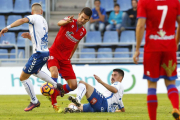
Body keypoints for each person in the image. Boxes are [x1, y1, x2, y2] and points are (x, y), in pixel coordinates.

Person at [0, 3, 63, 112]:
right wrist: (30, 37)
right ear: (42, 11)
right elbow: (40, 38)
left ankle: (34, 101)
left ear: (31, 13)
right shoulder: (44, 21)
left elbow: (21, 20)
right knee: (35, 72)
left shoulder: (34, 17)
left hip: (38, 54)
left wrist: (7, 27)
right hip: (45, 53)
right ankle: (55, 84)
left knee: (23, 77)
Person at [133, 0, 180, 119]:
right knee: (170, 82)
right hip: (169, 46)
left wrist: (137, 49)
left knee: (152, 84)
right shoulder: (174, 2)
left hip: (152, 48)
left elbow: (140, 25)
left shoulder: (144, 2)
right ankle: (176, 107)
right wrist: (175, 42)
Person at [45, 7, 92, 112]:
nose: (82, 20)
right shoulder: (69, 20)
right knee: (54, 73)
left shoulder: (83, 31)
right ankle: (54, 103)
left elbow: (76, 43)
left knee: (73, 85)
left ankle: (55, 92)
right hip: (54, 53)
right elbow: (59, 23)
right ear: (79, 14)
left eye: (85, 19)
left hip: (65, 58)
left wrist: (71, 54)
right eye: (82, 17)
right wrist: (66, 21)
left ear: (88, 20)